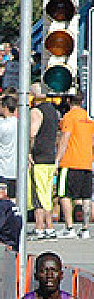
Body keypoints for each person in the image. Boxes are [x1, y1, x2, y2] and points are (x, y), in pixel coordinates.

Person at [54, 92, 94, 239]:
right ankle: (85, 228)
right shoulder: (88, 118)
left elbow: (65, 138)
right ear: (82, 101)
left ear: (68, 100)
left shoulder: (69, 117)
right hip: (86, 162)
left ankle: (69, 227)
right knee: (86, 196)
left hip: (70, 162)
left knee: (64, 195)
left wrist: (57, 160)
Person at [29, 82, 60, 240]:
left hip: (39, 157)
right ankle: (49, 227)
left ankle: (40, 227)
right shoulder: (54, 111)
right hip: (49, 157)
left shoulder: (36, 111)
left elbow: (32, 133)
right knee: (47, 194)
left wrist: (28, 152)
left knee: (39, 195)